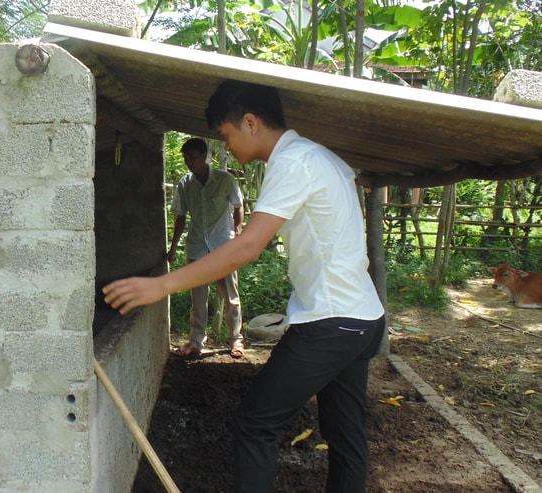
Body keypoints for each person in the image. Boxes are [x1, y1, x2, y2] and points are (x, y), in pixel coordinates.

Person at [103, 79, 386, 493]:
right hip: (363, 318)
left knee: (255, 423)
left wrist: (160, 286)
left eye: (226, 135)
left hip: (331, 322)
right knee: (345, 435)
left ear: (250, 122)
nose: (227, 146)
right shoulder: (319, 156)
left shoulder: (294, 162)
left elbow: (248, 246)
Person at [167, 137, 245, 358]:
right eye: (186, 158)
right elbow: (180, 217)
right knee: (198, 300)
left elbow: (239, 205)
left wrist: (238, 231)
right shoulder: (185, 184)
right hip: (198, 246)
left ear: (204, 156)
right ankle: (196, 341)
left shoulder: (224, 179)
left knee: (230, 296)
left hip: (223, 247)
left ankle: (236, 340)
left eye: (193, 156)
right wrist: (173, 247)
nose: (189, 161)